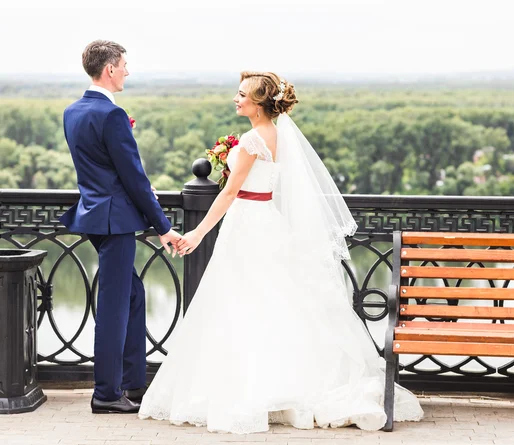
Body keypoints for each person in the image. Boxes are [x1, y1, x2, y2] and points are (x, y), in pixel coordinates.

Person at [138, 71, 423, 432]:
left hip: (246, 226)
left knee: (241, 304)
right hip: (267, 221)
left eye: (242, 95)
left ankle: (252, 389)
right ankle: (284, 383)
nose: (236, 99)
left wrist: (195, 232)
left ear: (258, 105)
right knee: (276, 301)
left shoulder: (252, 139)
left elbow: (228, 194)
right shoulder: (278, 136)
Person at [59, 40, 181, 414]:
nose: (127, 71)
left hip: (95, 215)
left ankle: (133, 383)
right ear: (109, 69)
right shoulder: (112, 115)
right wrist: (164, 227)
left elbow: (98, 169)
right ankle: (106, 395)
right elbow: (133, 177)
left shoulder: (72, 110)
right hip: (114, 222)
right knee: (113, 307)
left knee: (133, 294)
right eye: (124, 65)